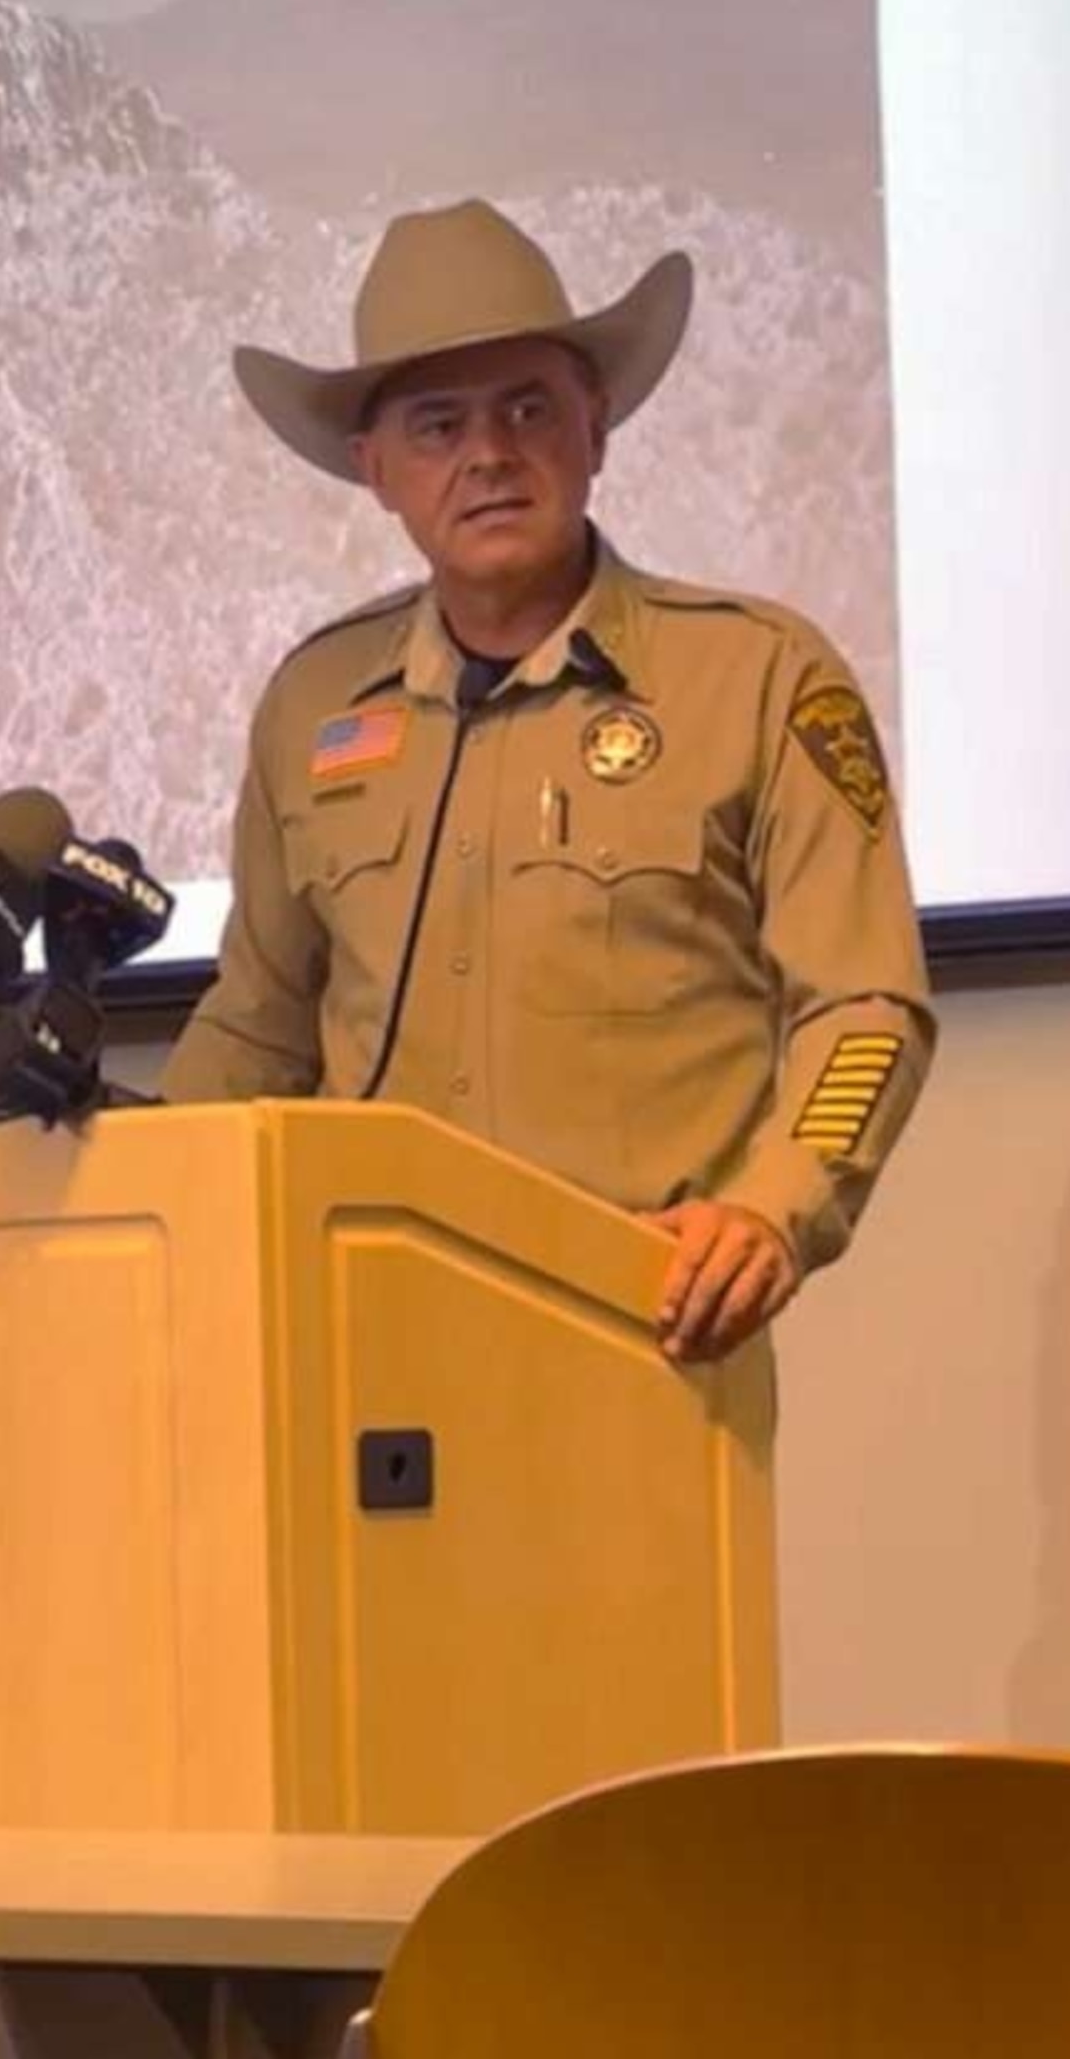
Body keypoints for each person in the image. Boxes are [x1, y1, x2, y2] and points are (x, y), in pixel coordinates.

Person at [164, 198, 935, 1362]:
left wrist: (773, 1210)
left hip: (644, 1336)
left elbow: (867, 1009)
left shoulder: (757, 677)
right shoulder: (314, 707)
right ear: (375, 471)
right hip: (361, 1346)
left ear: (597, 425)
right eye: (437, 425)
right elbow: (258, 1029)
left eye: (528, 408)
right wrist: (152, 1218)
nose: (488, 454)